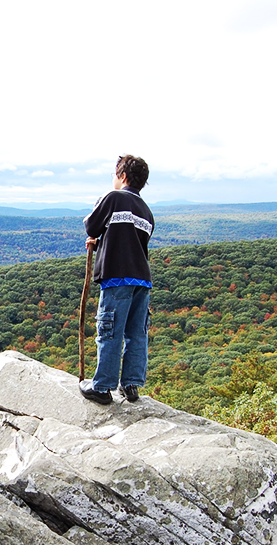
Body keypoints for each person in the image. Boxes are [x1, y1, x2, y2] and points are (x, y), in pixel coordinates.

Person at [79, 155, 154, 405]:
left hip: (117, 279)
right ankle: (130, 385)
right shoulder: (147, 212)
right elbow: (130, 244)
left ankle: (102, 387)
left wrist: (95, 237)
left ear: (122, 176)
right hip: (141, 280)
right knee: (136, 333)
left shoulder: (114, 197)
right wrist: (102, 244)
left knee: (109, 331)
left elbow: (91, 225)